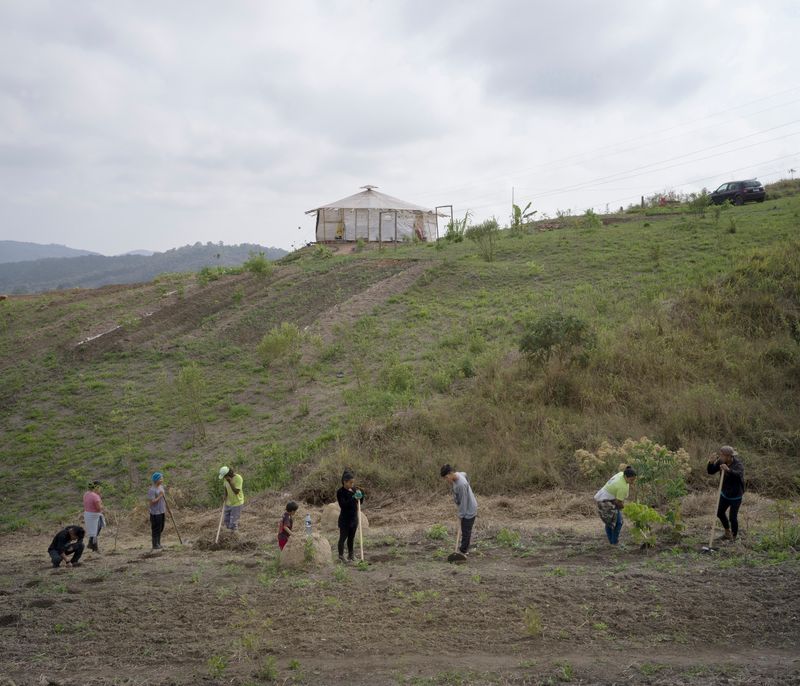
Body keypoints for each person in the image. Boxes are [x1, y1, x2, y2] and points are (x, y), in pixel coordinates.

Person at [707, 445, 745, 541]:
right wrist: (710, 463)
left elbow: (738, 475)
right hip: (725, 493)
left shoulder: (738, 464)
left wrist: (728, 470)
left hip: (736, 495)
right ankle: (727, 532)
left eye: (722, 455)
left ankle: (734, 537)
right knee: (719, 512)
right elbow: (711, 471)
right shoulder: (721, 462)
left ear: (729, 456)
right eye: (720, 455)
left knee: (733, 518)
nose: (720, 457)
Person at [440, 464, 478, 559]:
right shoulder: (458, 475)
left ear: (450, 473)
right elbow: (465, 474)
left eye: (446, 477)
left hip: (469, 509)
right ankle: (463, 549)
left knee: (466, 530)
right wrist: (468, 486)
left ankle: (463, 552)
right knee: (465, 528)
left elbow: (464, 503)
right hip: (467, 505)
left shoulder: (461, 485)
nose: (446, 480)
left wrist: (460, 515)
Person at [594, 465, 637, 545]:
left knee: (613, 522)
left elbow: (618, 500)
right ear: (625, 476)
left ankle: (613, 542)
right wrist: (627, 510)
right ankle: (614, 543)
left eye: (634, 479)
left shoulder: (621, 474)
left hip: (609, 498)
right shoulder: (622, 486)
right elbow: (618, 502)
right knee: (615, 522)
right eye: (631, 480)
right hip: (605, 501)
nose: (632, 482)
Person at [336, 470, 365, 563]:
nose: (352, 484)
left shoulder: (354, 490)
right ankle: (341, 556)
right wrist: (353, 498)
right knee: (343, 538)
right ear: (345, 481)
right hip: (345, 519)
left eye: (353, 482)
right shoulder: (340, 492)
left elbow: (360, 502)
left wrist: (361, 496)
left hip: (353, 518)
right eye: (350, 482)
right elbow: (343, 505)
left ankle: (351, 554)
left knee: (351, 538)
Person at [218, 466, 244, 531]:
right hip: (228, 503)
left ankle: (234, 536)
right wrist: (225, 495)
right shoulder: (226, 479)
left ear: (228, 474)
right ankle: (228, 534)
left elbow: (236, 492)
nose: (224, 478)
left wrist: (230, 482)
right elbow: (226, 487)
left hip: (237, 503)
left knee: (233, 523)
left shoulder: (238, 478)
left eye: (224, 476)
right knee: (226, 520)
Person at [82, 480, 105, 553]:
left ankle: (91, 544)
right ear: (97, 487)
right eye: (100, 488)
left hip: (88, 514)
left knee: (95, 530)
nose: (101, 489)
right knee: (94, 531)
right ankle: (95, 547)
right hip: (94, 515)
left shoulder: (86, 494)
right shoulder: (95, 496)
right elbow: (99, 508)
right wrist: (102, 507)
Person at [148, 472, 167, 549]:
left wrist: (168, 509)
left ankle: (158, 543)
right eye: (160, 478)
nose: (162, 480)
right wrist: (159, 496)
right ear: (156, 480)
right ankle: (155, 544)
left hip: (162, 511)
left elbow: (164, 499)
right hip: (155, 513)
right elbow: (151, 502)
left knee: (161, 527)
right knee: (156, 528)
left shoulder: (161, 488)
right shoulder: (152, 490)